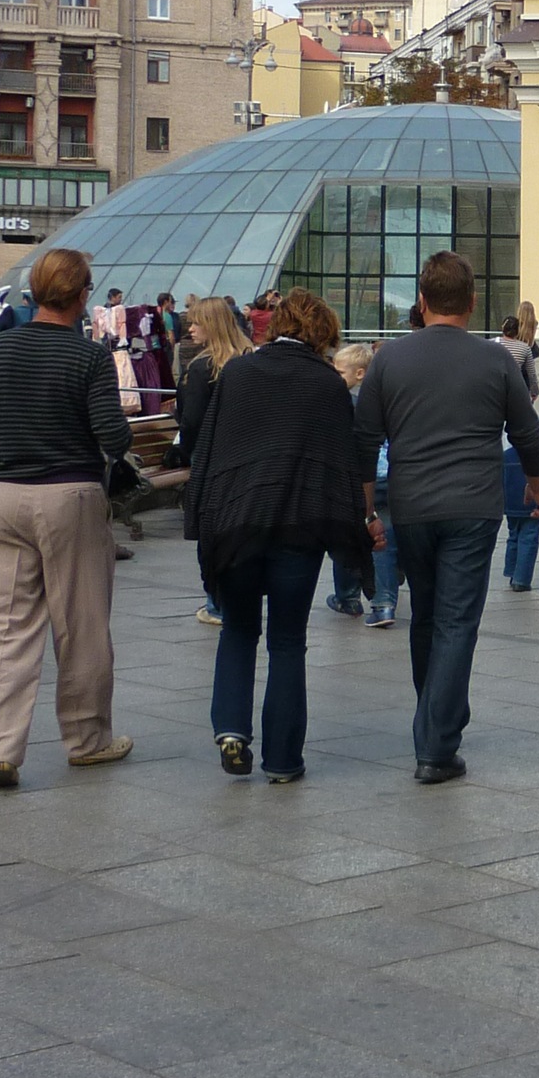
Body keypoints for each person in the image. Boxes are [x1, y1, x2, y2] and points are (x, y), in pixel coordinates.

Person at [355, 250, 539, 782]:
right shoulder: (495, 360)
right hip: (473, 506)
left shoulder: (389, 359)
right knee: (457, 621)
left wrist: (366, 510)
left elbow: (364, 440)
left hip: (412, 506)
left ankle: (435, 722)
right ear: (472, 302)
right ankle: (437, 744)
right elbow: (527, 433)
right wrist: (537, 487)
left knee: (426, 615)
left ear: (422, 301)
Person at [0, 247, 136, 791]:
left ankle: (0, 750)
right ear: (82, 295)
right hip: (70, 495)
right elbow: (113, 435)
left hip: (6, 496)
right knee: (81, 623)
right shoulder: (88, 356)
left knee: (2, 627)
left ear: (34, 291)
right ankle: (87, 740)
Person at [190, 289, 370, 783]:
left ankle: (231, 729)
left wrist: (203, 518)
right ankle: (284, 760)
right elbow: (342, 462)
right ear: (323, 332)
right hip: (299, 527)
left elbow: (211, 449)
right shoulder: (327, 385)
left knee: (238, 628)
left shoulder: (238, 373)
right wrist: (356, 525)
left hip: (237, 522)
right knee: (288, 641)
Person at [178, 297, 254, 626]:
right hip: (247, 455)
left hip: (210, 457)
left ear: (212, 325)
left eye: (196, 322)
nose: (191, 329)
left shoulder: (202, 368)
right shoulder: (250, 359)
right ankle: (241, 595)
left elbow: (192, 421)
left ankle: (217, 602)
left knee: (211, 528)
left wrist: (185, 453)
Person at [334, 345, 398, 627]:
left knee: (346, 536)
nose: (335, 377)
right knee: (382, 539)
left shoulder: (344, 402)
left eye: (339, 372)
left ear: (359, 374)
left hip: (359, 478)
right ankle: (384, 604)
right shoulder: (384, 398)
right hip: (388, 474)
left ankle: (348, 597)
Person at [501, 436, 539, 590]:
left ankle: (512, 572)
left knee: (513, 537)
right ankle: (521, 580)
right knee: (528, 539)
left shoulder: (505, 456)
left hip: (511, 507)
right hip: (534, 507)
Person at [498, 315, 539, 401]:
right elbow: (531, 373)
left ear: (503, 329)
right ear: (518, 331)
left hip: (497, 385)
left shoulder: (493, 343)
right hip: (515, 386)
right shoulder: (524, 348)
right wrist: (534, 391)